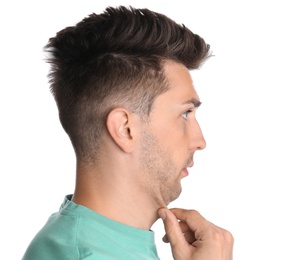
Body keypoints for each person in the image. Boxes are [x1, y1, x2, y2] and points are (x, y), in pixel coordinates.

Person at [23, 5, 233, 260]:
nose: (200, 142)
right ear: (125, 129)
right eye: (185, 114)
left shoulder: (100, 243)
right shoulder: (83, 255)